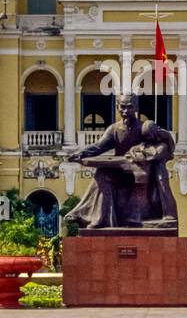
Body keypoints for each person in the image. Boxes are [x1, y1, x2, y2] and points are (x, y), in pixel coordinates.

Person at [64, 93, 178, 229]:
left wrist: (148, 152)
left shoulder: (144, 128)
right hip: (120, 170)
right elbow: (99, 146)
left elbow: (166, 143)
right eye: (122, 107)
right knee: (102, 174)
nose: (125, 111)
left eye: (129, 107)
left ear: (135, 107)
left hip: (140, 172)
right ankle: (98, 219)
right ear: (117, 106)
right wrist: (81, 154)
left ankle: (81, 212)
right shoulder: (114, 129)